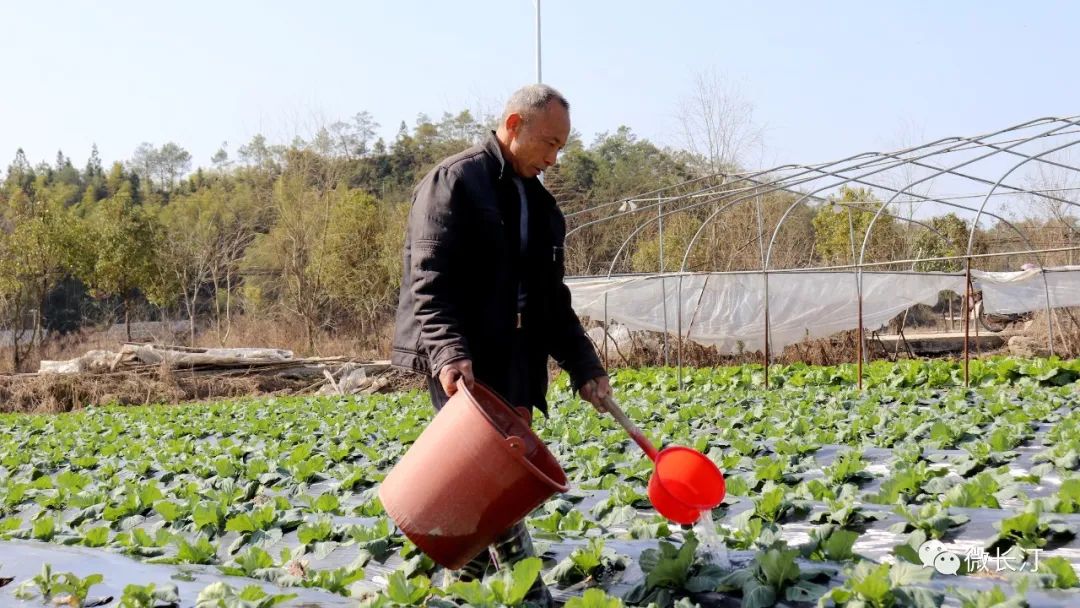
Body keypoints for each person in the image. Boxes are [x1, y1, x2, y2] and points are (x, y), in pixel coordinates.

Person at [390, 83, 613, 605]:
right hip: (464, 356)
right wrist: (447, 352)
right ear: (514, 125)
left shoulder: (541, 204)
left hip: (517, 356)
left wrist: (585, 366)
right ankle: (531, 594)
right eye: (549, 143)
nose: (555, 158)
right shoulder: (456, 181)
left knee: (498, 477)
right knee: (494, 475)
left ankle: (457, 582)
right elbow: (429, 279)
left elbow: (551, 301)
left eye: (562, 147)